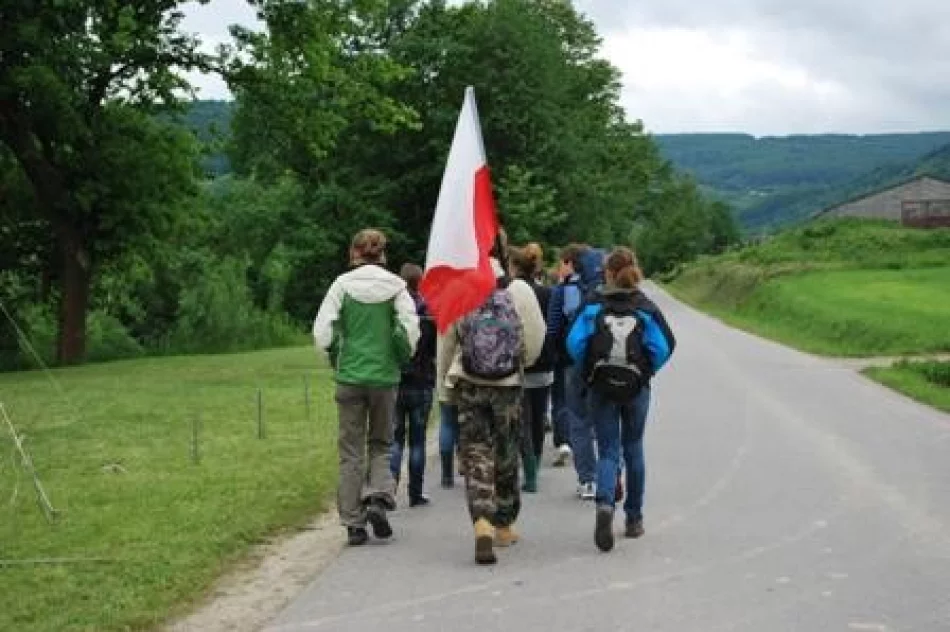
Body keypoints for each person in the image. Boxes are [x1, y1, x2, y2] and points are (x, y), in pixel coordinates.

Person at [437, 239, 544, 565]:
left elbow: (447, 340)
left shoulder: (460, 289)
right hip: (508, 385)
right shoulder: (519, 290)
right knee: (507, 451)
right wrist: (519, 362)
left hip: (470, 384)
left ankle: (481, 521)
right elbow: (536, 336)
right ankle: (504, 526)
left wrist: (444, 387)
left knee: (475, 454)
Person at [313, 229, 420, 546]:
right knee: (381, 443)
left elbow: (323, 333)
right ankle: (378, 497)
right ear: (383, 254)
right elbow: (410, 331)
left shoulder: (340, 286)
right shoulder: (397, 287)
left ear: (354, 252)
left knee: (350, 451)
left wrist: (335, 358)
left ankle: (353, 523)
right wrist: (400, 356)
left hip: (350, 377)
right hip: (384, 378)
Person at [566, 247, 675, 552]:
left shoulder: (593, 305)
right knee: (634, 447)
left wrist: (590, 370)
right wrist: (644, 371)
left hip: (601, 386)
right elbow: (665, 347)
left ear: (608, 273)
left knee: (609, 450)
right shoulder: (646, 307)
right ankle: (634, 519)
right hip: (636, 388)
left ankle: (604, 504)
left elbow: (574, 343)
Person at [549, 244, 605, 498]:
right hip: (604, 364)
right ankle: (609, 473)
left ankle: (587, 481)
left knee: (579, 421)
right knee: (605, 419)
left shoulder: (564, 290)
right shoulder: (606, 292)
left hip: (572, 363)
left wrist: (557, 356)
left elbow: (553, 328)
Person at [390, 263, 437, 507]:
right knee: (418, 440)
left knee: (395, 439)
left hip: (397, 381)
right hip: (422, 382)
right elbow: (434, 350)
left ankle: (390, 489)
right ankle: (415, 492)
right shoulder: (429, 313)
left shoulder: (395, 312)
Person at [510, 244, 554, 493]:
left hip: (521, 364)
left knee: (523, 420)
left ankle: (529, 473)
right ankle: (535, 464)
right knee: (539, 416)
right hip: (545, 363)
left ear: (515, 267)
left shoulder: (512, 292)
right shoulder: (548, 293)